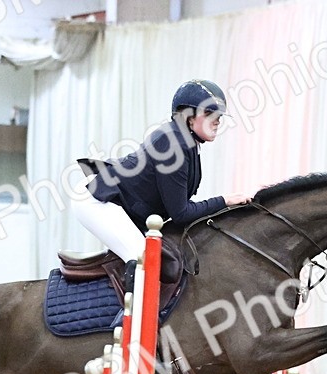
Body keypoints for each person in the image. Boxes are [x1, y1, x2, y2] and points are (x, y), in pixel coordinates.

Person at [73, 79, 254, 264]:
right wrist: (224, 201)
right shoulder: (175, 144)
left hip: (116, 202)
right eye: (209, 113)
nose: (217, 121)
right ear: (188, 117)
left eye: (219, 116)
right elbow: (180, 214)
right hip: (98, 199)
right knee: (145, 262)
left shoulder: (186, 142)